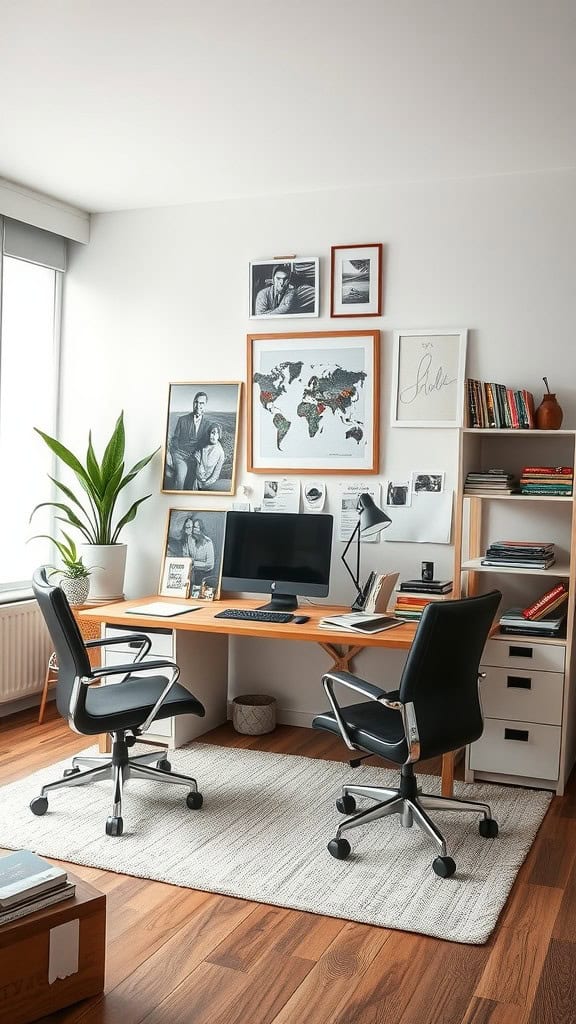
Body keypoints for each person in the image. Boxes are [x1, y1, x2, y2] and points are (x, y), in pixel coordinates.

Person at [168, 391, 212, 489]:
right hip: (180, 456)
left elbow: (206, 443)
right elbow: (175, 439)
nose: (198, 405)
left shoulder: (208, 424)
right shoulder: (182, 420)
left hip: (194, 458)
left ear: (205, 406)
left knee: (193, 482)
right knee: (181, 477)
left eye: (201, 403)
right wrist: (173, 453)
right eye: (196, 402)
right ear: (193, 403)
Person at [193, 422, 225, 490]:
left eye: (214, 433)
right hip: (195, 480)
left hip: (208, 484)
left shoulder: (220, 452)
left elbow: (216, 474)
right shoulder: (202, 446)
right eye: (210, 432)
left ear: (219, 435)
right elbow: (196, 465)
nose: (211, 435)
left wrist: (206, 484)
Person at [190, 517, 215, 589]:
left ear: (201, 529)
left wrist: (194, 564)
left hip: (204, 576)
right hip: (191, 575)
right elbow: (186, 558)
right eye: (193, 528)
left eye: (195, 527)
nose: (193, 530)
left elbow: (210, 564)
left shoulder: (208, 542)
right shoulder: (190, 540)